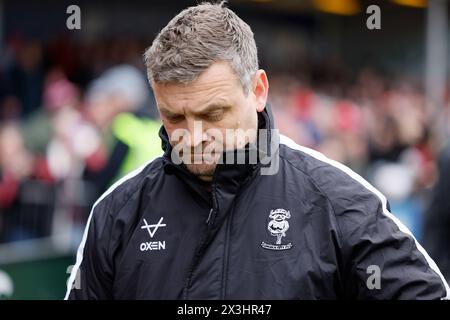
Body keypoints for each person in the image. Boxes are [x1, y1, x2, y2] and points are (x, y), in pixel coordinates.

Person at [65, 2, 449, 299]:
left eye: (212, 113)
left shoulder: (338, 201)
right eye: (174, 116)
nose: (194, 136)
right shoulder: (118, 211)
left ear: (259, 90)